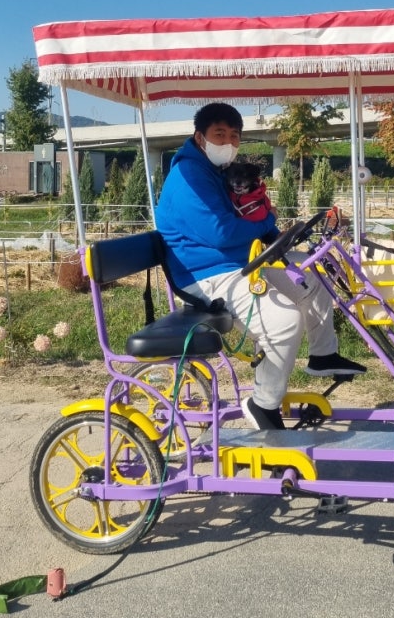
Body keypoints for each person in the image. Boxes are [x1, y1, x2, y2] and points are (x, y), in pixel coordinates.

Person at [155, 101, 365, 430]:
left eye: (234, 136)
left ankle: (324, 355)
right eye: (219, 134)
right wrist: (267, 220)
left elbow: (239, 223)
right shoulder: (188, 176)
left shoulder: (213, 170)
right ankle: (263, 403)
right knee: (285, 321)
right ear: (200, 138)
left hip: (236, 261)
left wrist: (275, 233)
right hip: (206, 275)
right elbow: (222, 232)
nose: (227, 143)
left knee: (314, 272)